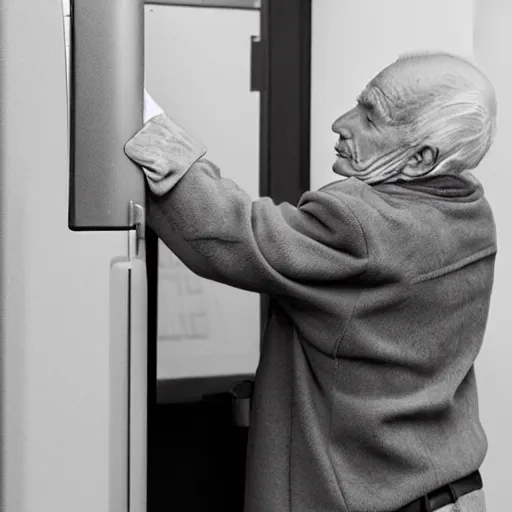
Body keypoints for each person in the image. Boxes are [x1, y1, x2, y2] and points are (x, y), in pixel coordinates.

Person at [125, 51, 497, 512]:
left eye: (370, 116)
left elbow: (233, 237)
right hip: (456, 496)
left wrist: (138, 122)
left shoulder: (363, 229)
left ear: (421, 159)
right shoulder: (471, 215)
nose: (342, 122)